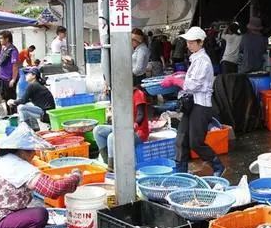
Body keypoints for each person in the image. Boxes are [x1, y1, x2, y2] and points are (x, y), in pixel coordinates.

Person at [161, 26, 225, 176]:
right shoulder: (195, 58)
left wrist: (174, 81)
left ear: (200, 43)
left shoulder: (203, 60)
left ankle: (218, 166)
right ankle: (181, 173)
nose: (188, 45)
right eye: (187, 42)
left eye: (191, 42)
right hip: (191, 104)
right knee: (181, 139)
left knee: (196, 142)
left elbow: (193, 85)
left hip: (201, 105)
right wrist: (180, 75)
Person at [92, 84, 149, 171]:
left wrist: (134, 124)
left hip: (138, 133)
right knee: (98, 130)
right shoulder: (122, 95)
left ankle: (111, 168)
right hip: (123, 128)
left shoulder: (138, 94)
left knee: (112, 137)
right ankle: (107, 162)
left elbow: (141, 114)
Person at [0, 31, 19, 115]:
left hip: (9, 79)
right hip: (2, 78)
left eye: (1, 38)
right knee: (4, 98)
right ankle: (8, 114)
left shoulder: (13, 50)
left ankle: (13, 115)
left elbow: (15, 66)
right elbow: (0, 63)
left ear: (7, 39)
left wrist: (13, 79)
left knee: (11, 99)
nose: (0, 40)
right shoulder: (3, 49)